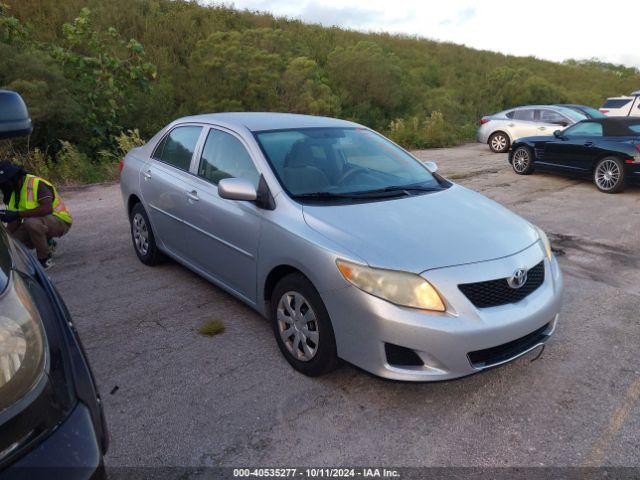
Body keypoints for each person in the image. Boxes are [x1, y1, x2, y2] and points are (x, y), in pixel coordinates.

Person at [0, 160, 72, 269]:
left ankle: (44, 259)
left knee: (31, 223)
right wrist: (4, 239)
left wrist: (17, 214)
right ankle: (47, 243)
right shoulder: (13, 192)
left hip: (60, 221)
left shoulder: (36, 183)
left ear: (12, 178)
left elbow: (47, 209)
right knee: (13, 243)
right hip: (39, 223)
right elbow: (14, 221)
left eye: (3, 182)